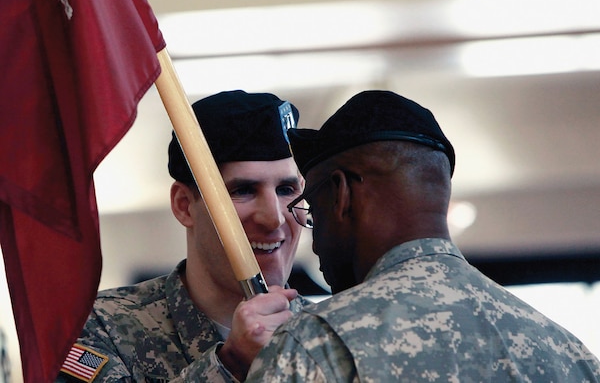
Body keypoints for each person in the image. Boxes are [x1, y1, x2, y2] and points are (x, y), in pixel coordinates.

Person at [245, 90, 600, 382]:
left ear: (341, 195)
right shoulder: (571, 355)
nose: (316, 242)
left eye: (315, 211)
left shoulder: (315, 344)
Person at [56, 90, 311, 382]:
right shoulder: (100, 328)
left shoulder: (336, 331)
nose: (275, 217)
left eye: (286, 190)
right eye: (242, 191)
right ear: (184, 206)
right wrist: (231, 364)